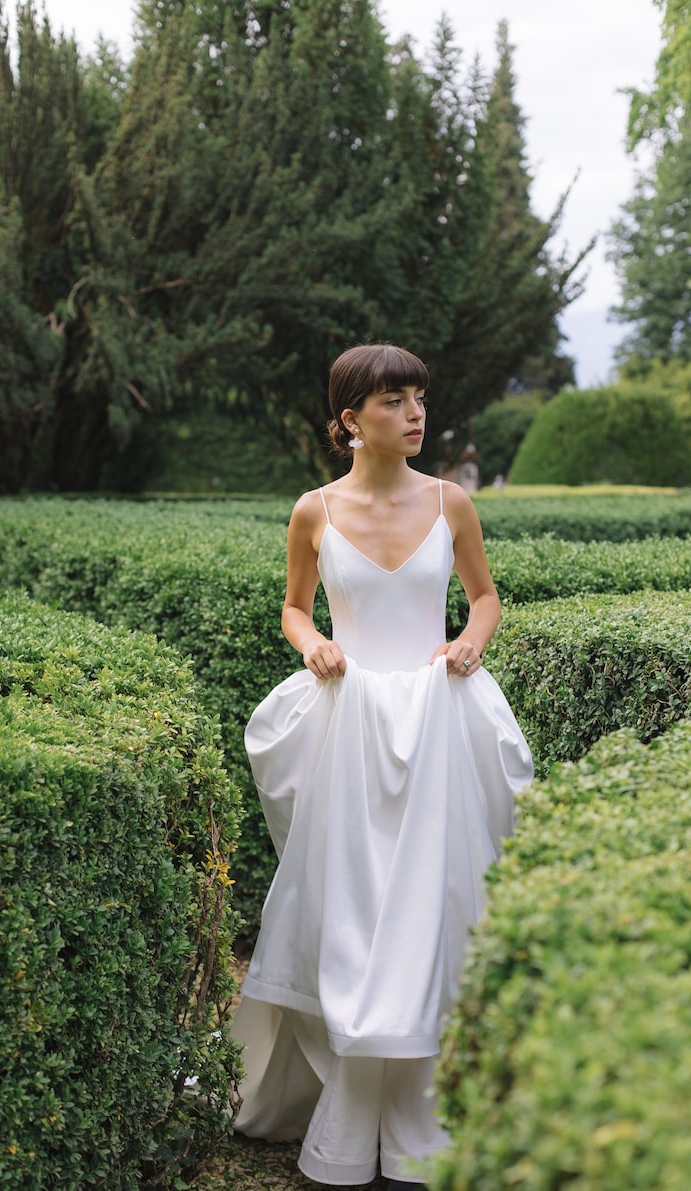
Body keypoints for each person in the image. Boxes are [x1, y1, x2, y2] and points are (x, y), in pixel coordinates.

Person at [232, 344, 534, 1188]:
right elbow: (294, 606)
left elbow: (483, 597)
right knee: (356, 910)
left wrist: (473, 640)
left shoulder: (453, 502)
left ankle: (420, 1123)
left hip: (440, 717)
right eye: (395, 399)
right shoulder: (313, 511)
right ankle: (346, 1119)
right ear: (348, 421)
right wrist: (317, 642)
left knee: (433, 907)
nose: (415, 412)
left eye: (419, 397)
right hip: (350, 723)